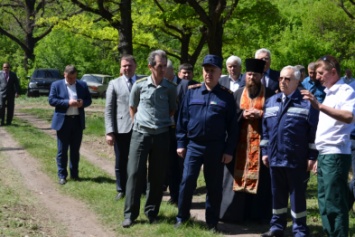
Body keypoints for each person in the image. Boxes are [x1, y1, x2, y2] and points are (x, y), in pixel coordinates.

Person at [174, 54, 238, 231]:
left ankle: (212, 222)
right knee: (187, 182)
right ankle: (182, 217)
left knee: (214, 186)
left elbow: (233, 128)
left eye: (212, 70)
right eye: (206, 70)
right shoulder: (192, 92)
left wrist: (229, 150)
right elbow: (182, 120)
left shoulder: (227, 97)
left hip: (215, 147)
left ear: (219, 73)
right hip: (193, 145)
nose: (208, 73)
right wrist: (181, 143)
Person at [260, 66, 319, 237]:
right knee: (277, 194)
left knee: (297, 195)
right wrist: (265, 151)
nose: (283, 82)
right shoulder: (271, 101)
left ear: (297, 81)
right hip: (275, 157)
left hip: (296, 158)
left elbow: (313, 133)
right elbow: (265, 131)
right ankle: (277, 227)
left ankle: (299, 229)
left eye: (287, 79)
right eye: (280, 78)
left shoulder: (306, 102)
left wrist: (312, 156)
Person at [122, 49, 177, 228]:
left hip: (161, 135)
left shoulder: (170, 88)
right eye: (159, 66)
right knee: (135, 174)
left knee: (157, 176)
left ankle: (151, 212)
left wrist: (158, 123)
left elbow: (171, 110)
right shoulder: (139, 85)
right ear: (150, 66)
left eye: (164, 66)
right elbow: (133, 106)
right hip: (140, 134)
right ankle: (130, 214)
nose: (162, 69)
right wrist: (138, 122)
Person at [301, 55, 355, 236]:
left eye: (321, 73)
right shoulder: (329, 93)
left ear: (333, 72)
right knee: (324, 202)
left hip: (336, 154)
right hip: (324, 154)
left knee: (335, 203)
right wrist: (317, 155)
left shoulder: (345, 90)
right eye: (316, 73)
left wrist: (319, 106)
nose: (317, 77)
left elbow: (348, 116)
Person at [220, 58, 272, 223]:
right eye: (249, 74)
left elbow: (275, 118)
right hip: (239, 146)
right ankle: (233, 215)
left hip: (262, 146)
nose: (251, 78)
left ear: (261, 75)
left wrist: (261, 115)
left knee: (262, 182)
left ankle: (258, 217)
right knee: (235, 179)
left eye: (255, 75)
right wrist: (242, 115)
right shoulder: (236, 94)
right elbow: (228, 118)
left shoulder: (270, 94)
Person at [105, 54, 145, 200]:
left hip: (141, 128)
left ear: (135, 66)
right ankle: (121, 189)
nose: (127, 68)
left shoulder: (144, 82)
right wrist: (109, 131)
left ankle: (141, 188)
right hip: (121, 129)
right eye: (124, 66)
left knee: (140, 160)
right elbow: (109, 109)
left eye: (130, 65)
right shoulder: (114, 84)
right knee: (121, 160)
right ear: (121, 68)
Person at [48, 65, 92, 185]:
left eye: (73, 78)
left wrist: (82, 103)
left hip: (77, 121)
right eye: (69, 78)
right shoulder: (56, 85)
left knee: (75, 150)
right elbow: (52, 100)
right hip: (63, 121)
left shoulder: (82, 85)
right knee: (62, 150)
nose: (72, 80)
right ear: (64, 75)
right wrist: (67, 102)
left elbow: (89, 100)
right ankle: (62, 175)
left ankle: (74, 174)